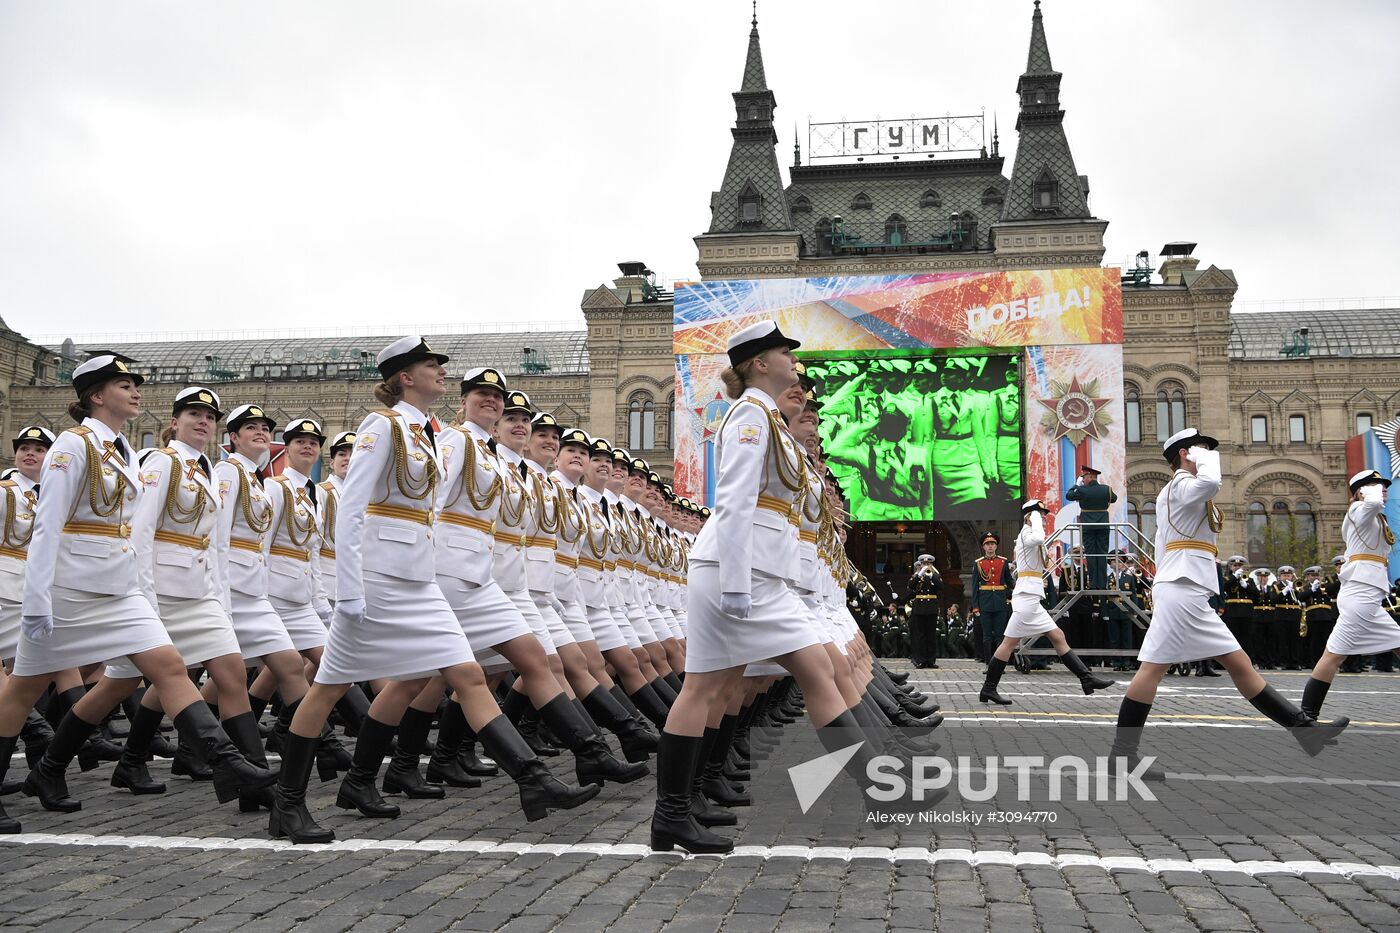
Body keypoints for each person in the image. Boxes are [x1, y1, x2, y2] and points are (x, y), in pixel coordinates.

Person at [268, 337, 597, 844]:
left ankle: (533, 780)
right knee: (328, 687)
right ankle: (287, 803)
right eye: (430, 365)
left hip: (420, 580)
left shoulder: (425, 433)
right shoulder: (382, 426)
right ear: (405, 376)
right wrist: (349, 591)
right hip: (379, 578)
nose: (441, 372)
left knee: (467, 674)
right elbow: (352, 507)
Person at [650, 320, 924, 856]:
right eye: (784, 353)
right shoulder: (750, 416)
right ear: (759, 363)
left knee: (716, 688)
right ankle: (879, 791)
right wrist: (734, 584)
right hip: (739, 573)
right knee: (722, 686)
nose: (792, 363)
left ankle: (675, 814)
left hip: (757, 572)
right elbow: (733, 500)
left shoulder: (768, 419)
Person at [0, 356, 274, 832]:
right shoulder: (74, 444)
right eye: (124, 385)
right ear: (96, 395)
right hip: (71, 588)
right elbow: (47, 524)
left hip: (120, 588)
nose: (135, 392)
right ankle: (44, 772)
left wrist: (140, 591)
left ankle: (226, 761)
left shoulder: (122, 450)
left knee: (168, 666)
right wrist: (38, 599)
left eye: (134, 385)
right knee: (24, 688)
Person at [1107, 429, 1347, 781]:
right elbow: (1211, 482)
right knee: (1156, 669)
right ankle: (1122, 755)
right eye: (1202, 448)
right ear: (1185, 453)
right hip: (1181, 588)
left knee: (1235, 663)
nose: (1209, 454)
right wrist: (1204, 461)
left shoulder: (1185, 489)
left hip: (1185, 587)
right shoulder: (1181, 486)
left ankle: (1304, 731)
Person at [100, 387, 265, 803]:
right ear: (174, 423)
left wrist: (222, 602)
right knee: (125, 684)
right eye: (194, 414)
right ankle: (65, 763)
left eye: (209, 417)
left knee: (232, 674)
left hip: (200, 593)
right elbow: (140, 533)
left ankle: (255, 779)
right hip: (164, 592)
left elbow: (216, 545)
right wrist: (147, 600)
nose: (203, 422)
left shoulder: (206, 470)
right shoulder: (162, 462)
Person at [979, 500, 1117, 705]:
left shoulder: (1030, 532)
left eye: (1043, 514)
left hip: (1031, 596)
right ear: (1030, 516)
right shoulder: (1028, 533)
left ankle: (1086, 678)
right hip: (1026, 596)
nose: (1044, 517)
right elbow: (1038, 537)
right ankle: (988, 688)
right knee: (1009, 643)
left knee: (1057, 635)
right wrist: (1034, 518)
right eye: (1040, 513)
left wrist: (1036, 518)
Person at [1300, 470, 1400, 721]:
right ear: (1360, 491)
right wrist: (1368, 494)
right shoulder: (1358, 510)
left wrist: (1371, 493)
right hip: (1360, 594)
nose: (1383, 489)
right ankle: (1306, 718)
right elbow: (1373, 502)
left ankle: (1306, 717)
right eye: (1375, 484)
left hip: (1368, 595)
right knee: (1333, 656)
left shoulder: (1373, 515)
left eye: (1384, 485)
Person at [1065, 465, 1116, 595]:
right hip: (1103, 526)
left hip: (1087, 527)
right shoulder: (1106, 489)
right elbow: (1114, 499)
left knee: (1091, 555)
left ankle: (1094, 584)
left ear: (1090, 477)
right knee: (1102, 554)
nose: (1083, 480)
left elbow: (1069, 495)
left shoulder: (1082, 490)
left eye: (1084, 477)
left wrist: (1076, 485)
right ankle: (1103, 584)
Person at [970, 532, 1010, 661]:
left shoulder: (1003, 561)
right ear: (983, 547)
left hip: (1000, 602)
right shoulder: (978, 563)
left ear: (996, 546)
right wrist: (975, 606)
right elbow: (975, 587)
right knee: (986, 635)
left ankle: (999, 663)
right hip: (985, 603)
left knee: (1000, 635)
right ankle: (988, 662)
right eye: (987, 544)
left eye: (992, 544)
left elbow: (1009, 582)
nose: (990, 547)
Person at [906, 554, 941, 668]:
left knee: (931, 635)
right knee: (920, 635)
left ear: (931, 564)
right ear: (920, 564)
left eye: (928, 563)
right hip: (919, 608)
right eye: (924, 563)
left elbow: (941, 586)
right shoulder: (917, 576)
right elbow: (910, 586)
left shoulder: (935, 575)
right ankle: (921, 660)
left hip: (931, 607)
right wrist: (919, 574)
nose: (926, 565)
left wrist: (932, 575)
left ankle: (931, 660)